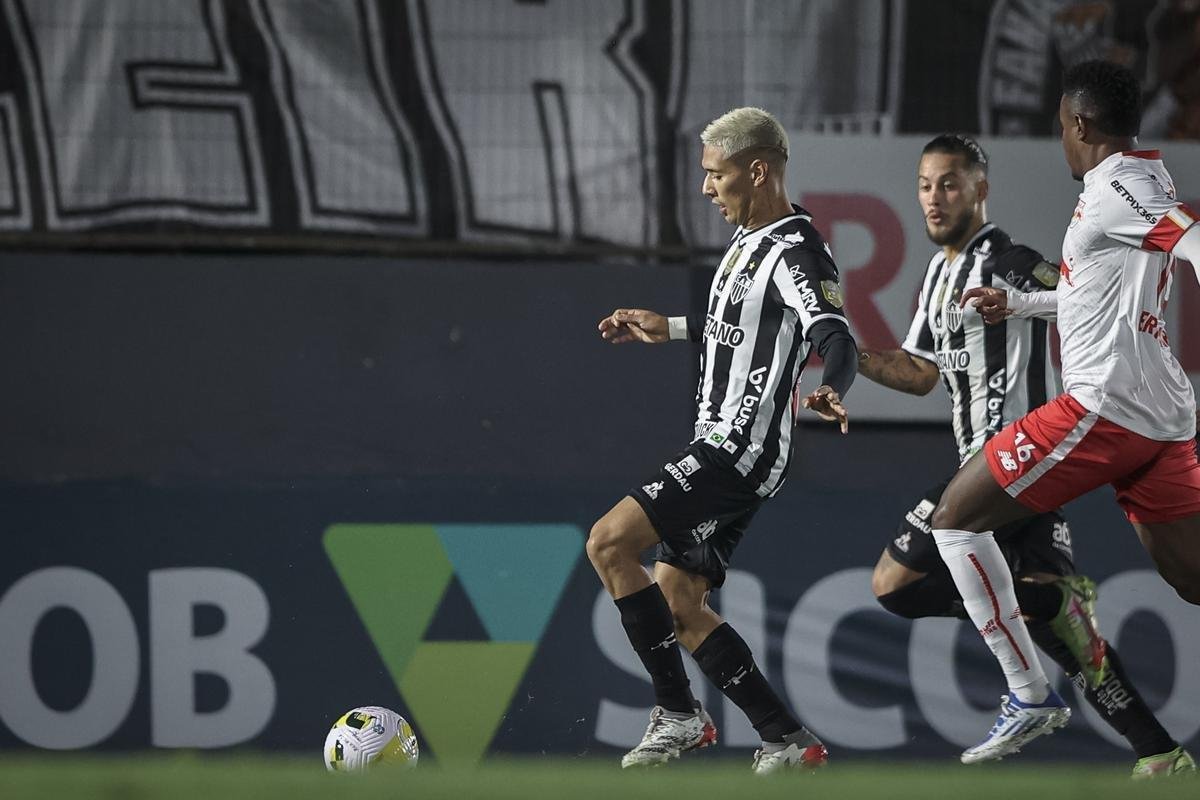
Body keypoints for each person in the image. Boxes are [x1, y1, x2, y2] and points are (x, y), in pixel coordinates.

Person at [858, 133, 1192, 775]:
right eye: (925, 185)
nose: (934, 198)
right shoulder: (938, 274)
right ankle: (1159, 752)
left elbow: (1070, 290)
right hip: (1009, 469)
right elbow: (919, 372)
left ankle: (1044, 629)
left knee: (894, 584)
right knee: (1057, 629)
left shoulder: (1005, 258)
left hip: (1016, 457)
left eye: (949, 183)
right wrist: (843, 353)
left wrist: (1036, 296)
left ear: (980, 189)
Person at [589, 106, 857, 773]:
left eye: (716, 173)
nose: (706, 187)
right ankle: (786, 739)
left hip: (738, 449)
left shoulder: (796, 251)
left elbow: (834, 335)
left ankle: (679, 712)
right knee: (679, 603)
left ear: (757, 170)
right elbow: (745, 323)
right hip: (724, 444)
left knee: (609, 542)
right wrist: (673, 327)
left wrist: (833, 386)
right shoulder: (747, 238)